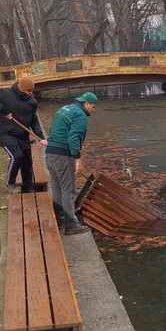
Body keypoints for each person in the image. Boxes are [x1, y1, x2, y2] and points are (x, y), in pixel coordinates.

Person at [45, 91, 98, 235]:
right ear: (86, 103)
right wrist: (77, 159)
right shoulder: (80, 115)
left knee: (57, 189)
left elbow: (52, 129)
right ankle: (71, 225)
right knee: (68, 191)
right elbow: (73, 138)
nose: (93, 110)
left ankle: (59, 220)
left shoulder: (65, 109)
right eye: (93, 106)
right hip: (63, 155)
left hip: (50, 153)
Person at [0, 77, 47, 193]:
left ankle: (28, 187)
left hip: (23, 135)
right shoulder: (3, 94)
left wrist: (41, 137)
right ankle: (10, 184)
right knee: (17, 156)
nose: (30, 93)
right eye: (28, 91)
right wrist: (3, 109)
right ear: (21, 89)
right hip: (6, 133)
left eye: (31, 91)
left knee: (27, 161)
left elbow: (34, 120)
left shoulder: (31, 102)